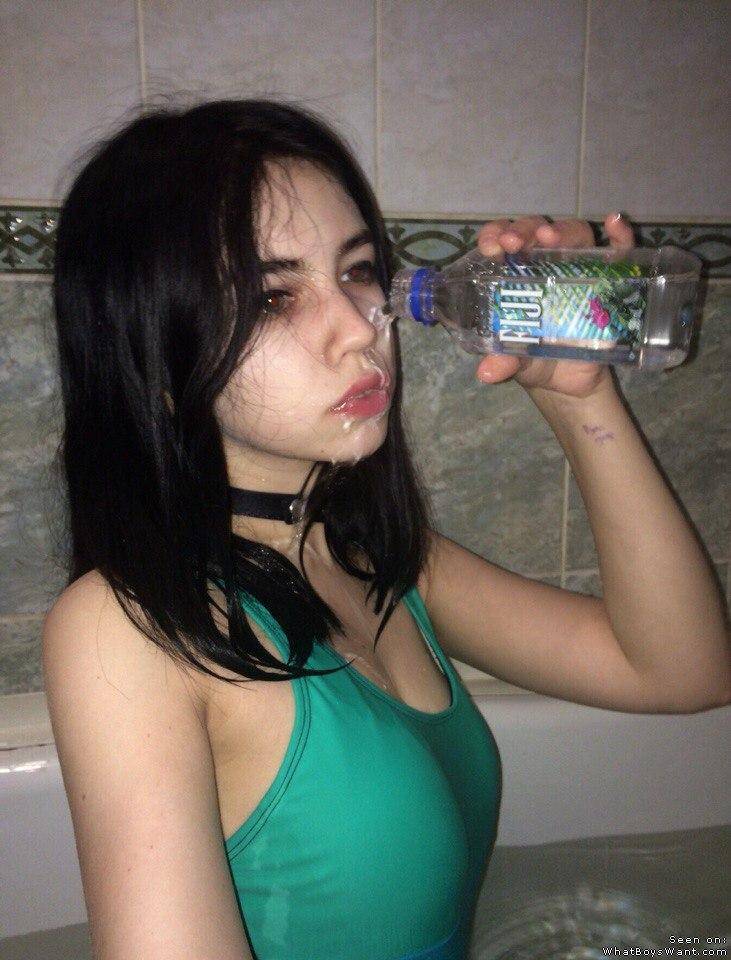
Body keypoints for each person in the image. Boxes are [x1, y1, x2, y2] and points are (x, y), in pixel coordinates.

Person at [41, 98, 730, 960]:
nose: (358, 329)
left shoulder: (381, 561)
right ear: (156, 357)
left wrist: (577, 398)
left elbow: (683, 672)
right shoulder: (130, 629)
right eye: (272, 297)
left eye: (358, 270)